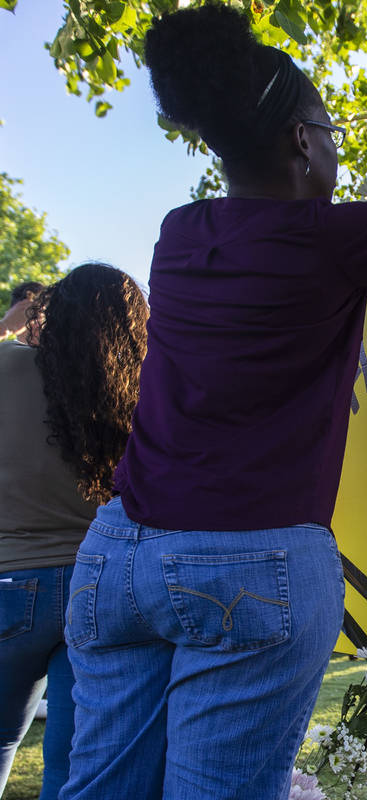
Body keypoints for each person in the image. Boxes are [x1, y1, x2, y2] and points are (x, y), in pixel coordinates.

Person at [60, 7, 367, 800]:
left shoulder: (180, 232)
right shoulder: (339, 237)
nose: (335, 145)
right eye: (330, 131)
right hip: (249, 565)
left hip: (120, 556)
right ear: (303, 141)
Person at [0, 265, 147, 800]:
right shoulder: (137, 396)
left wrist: (14, 322)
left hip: (9, 584)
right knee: (72, 769)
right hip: (99, 589)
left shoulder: (6, 366)